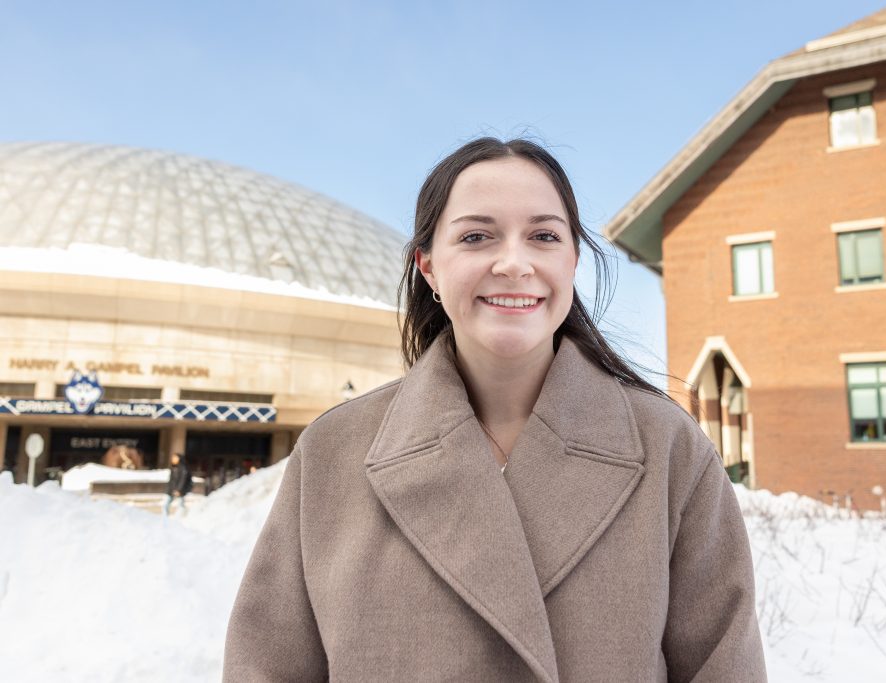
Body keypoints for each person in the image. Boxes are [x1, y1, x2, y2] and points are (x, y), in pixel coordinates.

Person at [224, 138, 766, 681]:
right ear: (429, 267)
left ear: (572, 261)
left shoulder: (669, 448)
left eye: (544, 236)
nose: (514, 263)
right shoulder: (332, 453)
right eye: (477, 236)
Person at [164, 452, 192, 516]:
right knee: (166, 504)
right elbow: (171, 480)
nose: (173, 459)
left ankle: (181, 518)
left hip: (179, 490)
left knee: (180, 505)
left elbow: (183, 480)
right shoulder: (173, 467)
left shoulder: (183, 468)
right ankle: (166, 518)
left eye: (175, 458)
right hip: (171, 489)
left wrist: (179, 490)